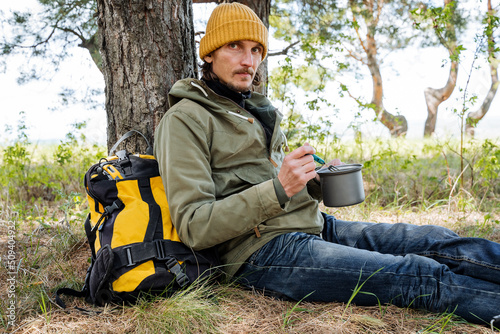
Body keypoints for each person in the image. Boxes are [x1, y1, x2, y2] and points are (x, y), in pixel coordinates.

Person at [154, 2, 500, 328]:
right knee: (417, 275)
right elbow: (195, 226)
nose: (249, 60)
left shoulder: (254, 110)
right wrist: (280, 187)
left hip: (313, 225)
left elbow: (269, 183)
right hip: (262, 252)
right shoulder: (185, 120)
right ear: (210, 52)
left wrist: (314, 180)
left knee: (436, 240)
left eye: (256, 49)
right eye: (235, 47)